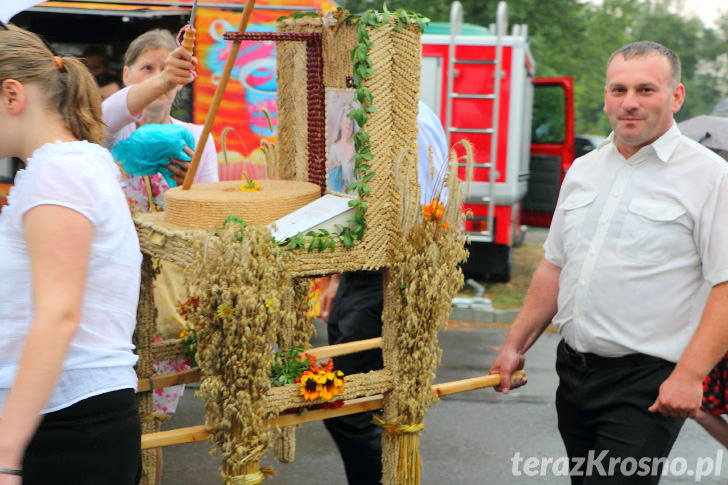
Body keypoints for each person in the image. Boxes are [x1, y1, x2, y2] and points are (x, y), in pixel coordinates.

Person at [490, 41, 728, 484]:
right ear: (605, 97)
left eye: (646, 90)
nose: (630, 103)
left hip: (647, 385)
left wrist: (690, 376)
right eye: (618, 90)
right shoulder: (583, 170)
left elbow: (725, 284)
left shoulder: (709, 177)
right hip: (574, 375)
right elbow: (553, 267)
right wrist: (514, 346)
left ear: (676, 96)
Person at [0, 25, 142, 485]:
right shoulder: (68, 164)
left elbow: (58, 314)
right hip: (68, 417)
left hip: (65, 424)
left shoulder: (58, 174)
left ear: (11, 94)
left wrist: (6, 453)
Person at [102, 28, 219, 485]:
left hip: (168, 306)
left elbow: (209, 229)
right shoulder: (103, 135)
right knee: (110, 421)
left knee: (149, 427)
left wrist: (190, 189)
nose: (158, 79)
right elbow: (105, 114)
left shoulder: (195, 139)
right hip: (112, 302)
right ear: (128, 75)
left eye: (167, 69)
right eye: (147, 69)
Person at [319, 100, 449, 485]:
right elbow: (354, 198)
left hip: (389, 273)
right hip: (360, 271)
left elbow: (410, 208)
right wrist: (338, 279)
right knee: (351, 402)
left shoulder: (405, 116)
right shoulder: (360, 105)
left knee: (348, 407)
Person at [327, 103, 358, 193]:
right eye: (347, 117)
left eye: (352, 119)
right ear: (341, 121)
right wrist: (348, 158)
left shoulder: (357, 147)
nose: (349, 122)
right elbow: (333, 181)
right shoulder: (335, 148)